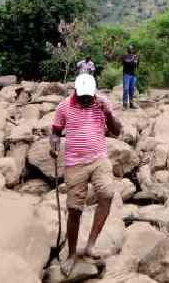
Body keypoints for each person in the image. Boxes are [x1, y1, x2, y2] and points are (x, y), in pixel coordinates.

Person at [49, 74, 122, 276]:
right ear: (75, 92)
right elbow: (55, 131)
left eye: (89, 96)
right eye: (82, 96)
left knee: (107, 194)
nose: (86, 100)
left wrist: (107, 113)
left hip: (99, 159)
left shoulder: (102, 103)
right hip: (74, 164)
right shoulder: (64, 106)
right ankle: (72, 254)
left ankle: (90, 245)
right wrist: (54, 144)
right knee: (74, 209)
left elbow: (117, 132)